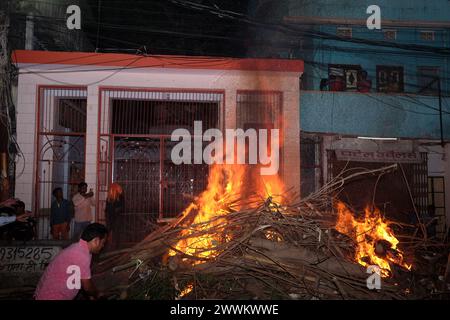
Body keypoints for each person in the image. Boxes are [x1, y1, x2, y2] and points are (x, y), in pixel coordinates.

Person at [34, 223, 108, 300]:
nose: (103, 246)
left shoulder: (81, 249)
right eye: (103, 243)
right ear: (96, 241)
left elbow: (82, 281)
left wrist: (91, 295)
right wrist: (98, 294)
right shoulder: (82, 254)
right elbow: (87, 287)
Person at [105, 183, 124, 250]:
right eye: (119, 188)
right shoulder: (114, 198)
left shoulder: (111, 198)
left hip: (113, 217)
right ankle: (113, 248)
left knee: (114, 233)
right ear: (115, 189)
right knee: (114, 233)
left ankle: (112, 247)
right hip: (114, 217)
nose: (121, 189)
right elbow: (121, 208)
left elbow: (121, 208)